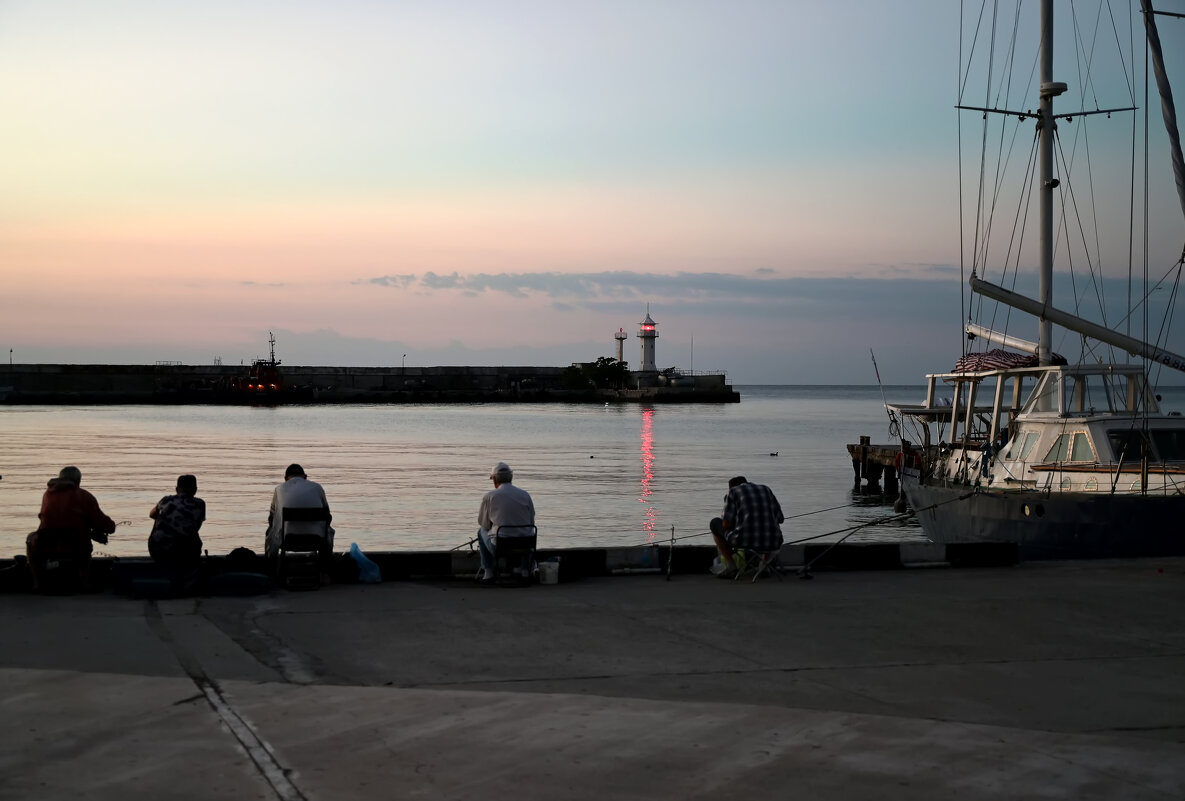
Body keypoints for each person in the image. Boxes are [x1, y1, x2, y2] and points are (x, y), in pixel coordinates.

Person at [26, 466, 116, 591]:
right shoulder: (84, 496)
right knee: (82, 537)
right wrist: (100, 532)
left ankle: (37, 583)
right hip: (76, 545)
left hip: (46, 543)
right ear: (78, 481)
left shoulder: (47, 494)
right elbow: (106, 525)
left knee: (30, 538)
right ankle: (84, 583)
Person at [709, 475, 784, 579]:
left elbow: (726, 525)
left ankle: (732, 568)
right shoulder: (766, 489)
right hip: (774, 542)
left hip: (744, 542)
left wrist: (737, 523)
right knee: (768, 530)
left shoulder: (733, 492)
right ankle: (763, 567)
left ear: (731, 487)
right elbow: (780, 519)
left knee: (714, 523)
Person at [475, 461, 535, 583]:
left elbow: (484, 523)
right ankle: (524, 570)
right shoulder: (525, 495)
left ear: (494, 480)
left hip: (501, 547)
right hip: (525, 545)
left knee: (481, 532)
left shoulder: (490, 496)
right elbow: (531, 520)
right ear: (511, 477)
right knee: (527, 532)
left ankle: (488, 572)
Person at [265, 463, 334, 562]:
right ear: (305, 477)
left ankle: (270, 568)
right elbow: (328, 516)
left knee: (270, 531)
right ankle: (325, 568)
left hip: (288, 540)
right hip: (317, 540)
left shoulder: (279, 489)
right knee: (327, 530)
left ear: (285, 478)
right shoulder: (317, 488)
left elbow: (271, 518)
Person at [148, 474, 206, 580]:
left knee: (158, 516)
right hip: (185, 554)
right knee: (190, 529)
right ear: (195, 490)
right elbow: (196, 527)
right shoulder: (200, 504)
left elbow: (151, 514)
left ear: (176, 489)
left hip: (157, 551)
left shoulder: (165, 500)